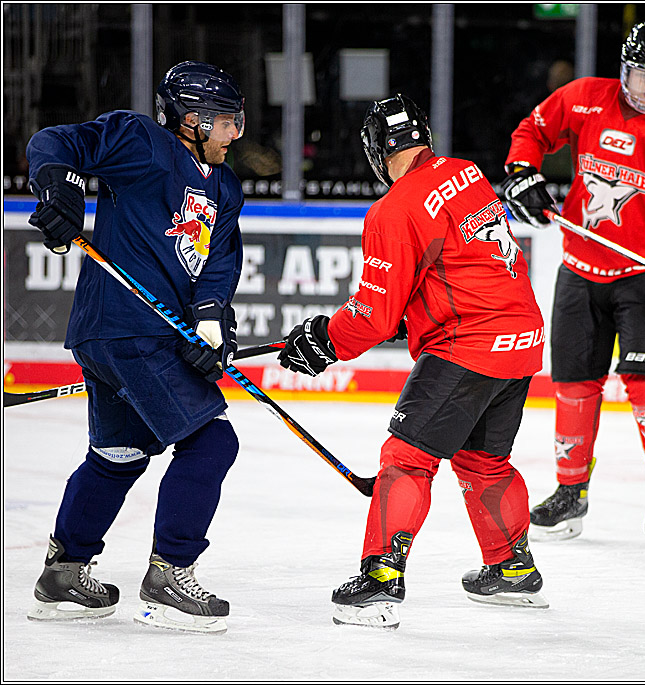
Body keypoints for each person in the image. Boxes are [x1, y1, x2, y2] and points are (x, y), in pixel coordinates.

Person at [278, 94, 548, 629]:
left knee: (406, 459)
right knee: (482, 461)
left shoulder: (393, 208)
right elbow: (466, 263)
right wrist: (415, 311)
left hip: (467, 345)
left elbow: (373, 316)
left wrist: (323, 341)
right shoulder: (465, 172)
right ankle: (512, 570)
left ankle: (380, 582)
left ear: (376, 151)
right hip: (521, 340)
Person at [24, 61, 246, 634]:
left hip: (137, 335)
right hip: (125, 327)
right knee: (212, 442)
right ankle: (170, 575)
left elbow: (218, 263)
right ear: (192, 121)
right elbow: (56, 142)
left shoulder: (224, 187)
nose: (234, 135)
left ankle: (63, 572)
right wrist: (60, 192)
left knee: (118, 455)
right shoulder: (143, 142)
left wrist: (210, 328)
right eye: (227, 123)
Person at [500, 22, 645, 549]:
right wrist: (522, 172)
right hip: (579, 269)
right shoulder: (587, 98)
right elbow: (532, 130)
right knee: (573, 385)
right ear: (624, 72)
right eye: (643, 76)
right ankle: (571, 493)